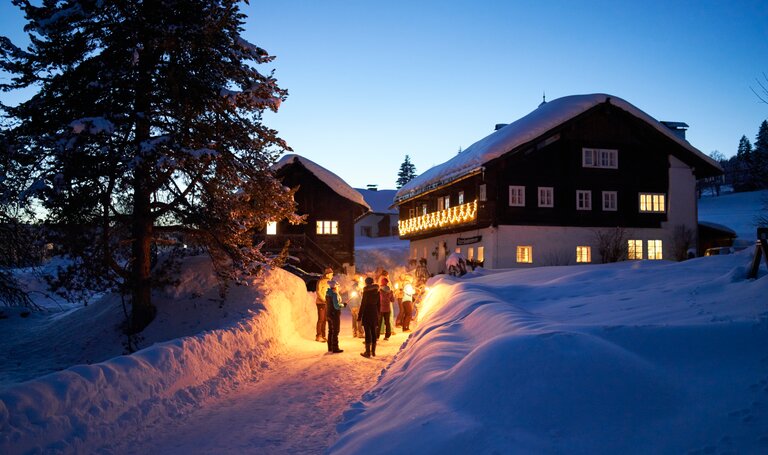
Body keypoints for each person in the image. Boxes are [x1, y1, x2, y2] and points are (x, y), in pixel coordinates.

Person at [358, 276, 380, 358]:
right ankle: (373, 351)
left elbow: (363, 304)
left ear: (366, 283)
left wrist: (359, 316)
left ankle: (367, 352)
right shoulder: (377, 292)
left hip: (367, 313)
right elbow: (379, 305)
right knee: (374, 332)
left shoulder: (366, 292)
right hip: (374, 313)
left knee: (368, 333)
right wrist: (378, 315)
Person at [325, 280, 345, 353]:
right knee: (336, 331)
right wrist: (342, 305)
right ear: (335, 287)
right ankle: (335, 348)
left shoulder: (328, 293)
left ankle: (330, 347)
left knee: (330, 330)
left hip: (329, 314)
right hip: (334, 314)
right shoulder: (334, 294)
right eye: (337, 286)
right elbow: (336, 306)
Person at [315, 267, 333, 342]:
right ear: (327, 274)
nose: (332, 275)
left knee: (325, 319)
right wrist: (324, 299)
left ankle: (323, 335)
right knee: (321, 319)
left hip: (326, 303)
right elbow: (318, 291)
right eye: (331, 274)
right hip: (321, 303)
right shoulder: (321, 281)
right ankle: (318, 336)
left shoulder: (329, 282)